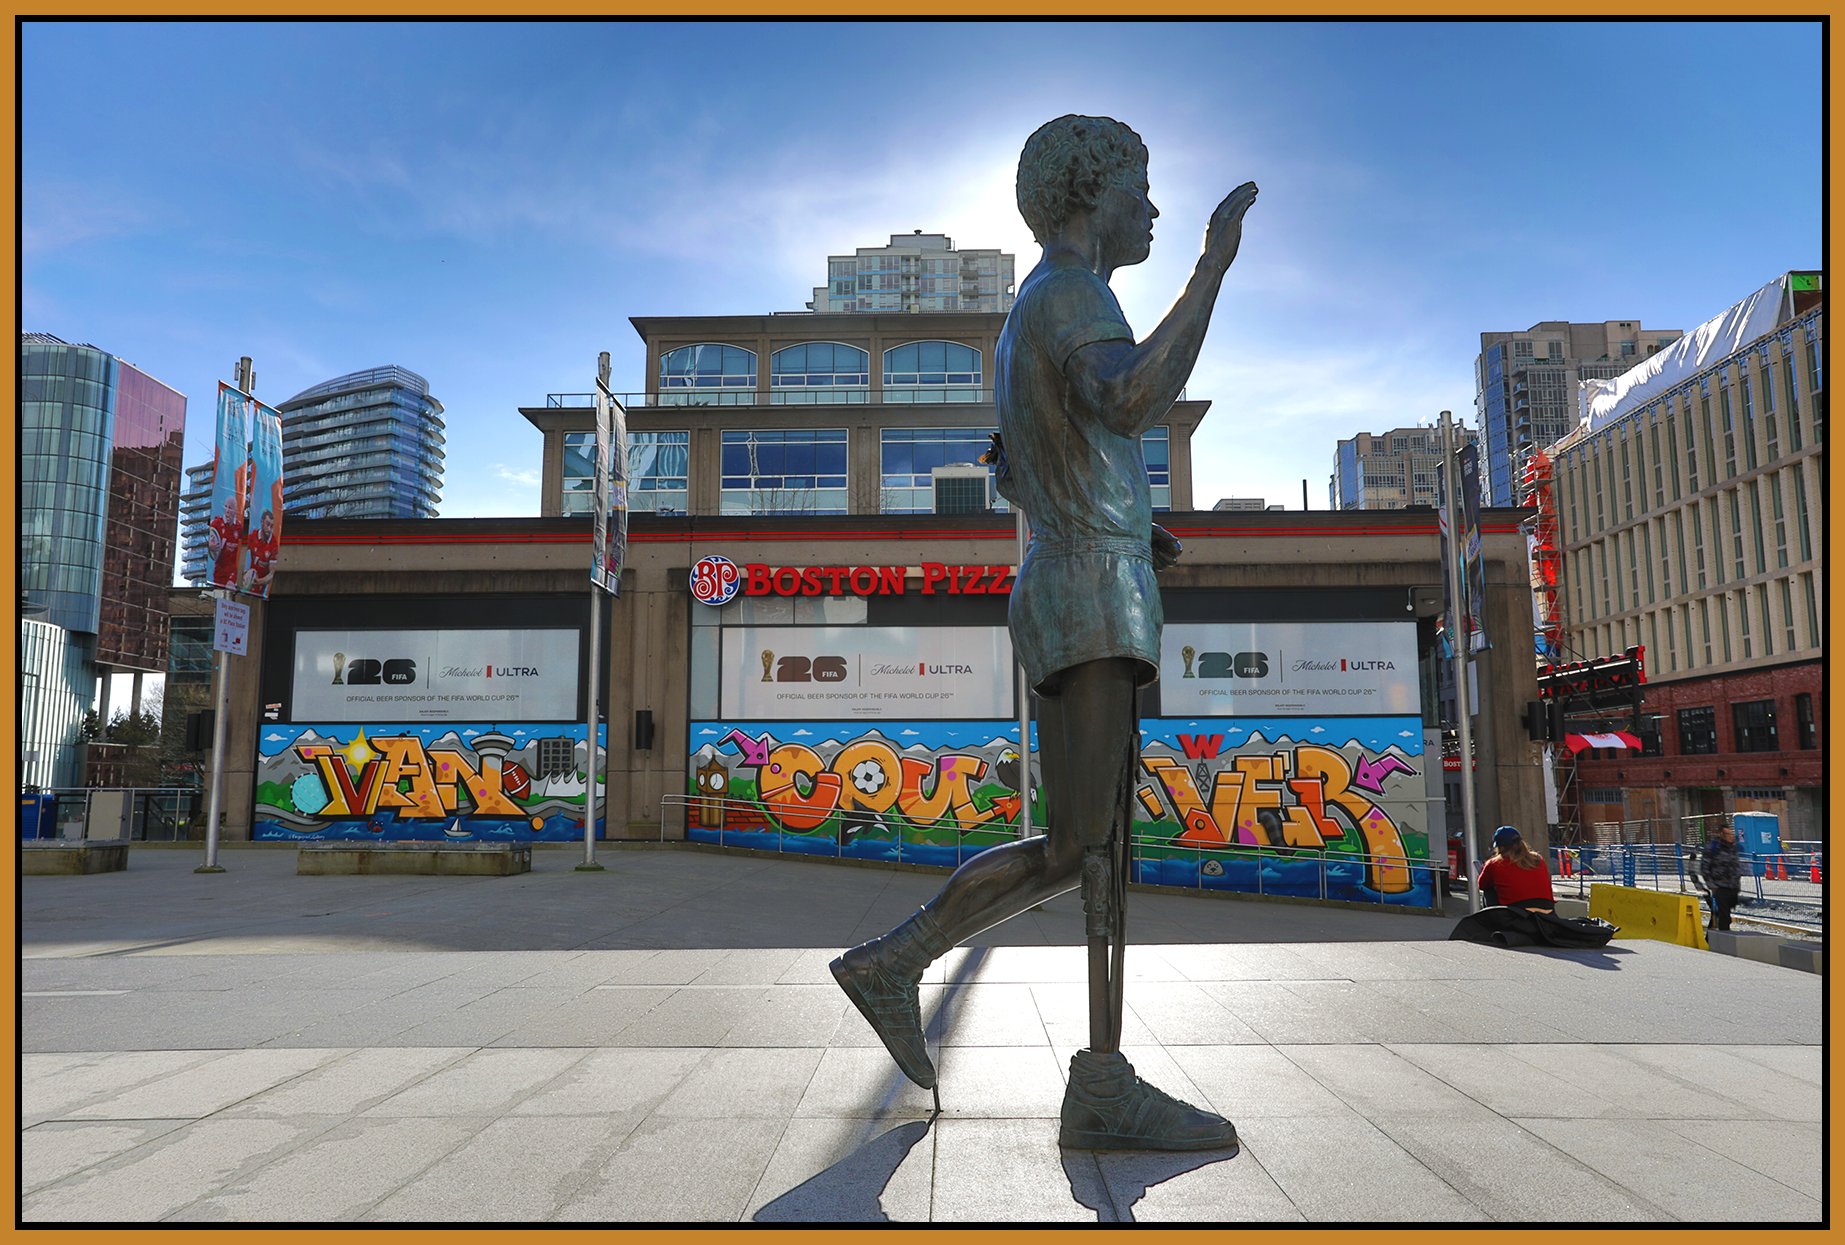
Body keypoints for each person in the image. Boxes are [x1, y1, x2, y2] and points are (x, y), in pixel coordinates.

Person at [831, 115, 1258, 1151]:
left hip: (1081, 577)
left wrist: (1128, 524)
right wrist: (1211, 269)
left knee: (1090, 846)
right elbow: (1127, 395)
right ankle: (1050, 1051)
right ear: (1086, 192)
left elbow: (1033, 465)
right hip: (1085, 592)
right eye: (1140, 186)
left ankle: (1069, 1057)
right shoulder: (1070, 294)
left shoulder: (1034, 312)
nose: (1153, 207)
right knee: (1089, 848)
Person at [1477, 825, 1555, 912]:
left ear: (1500, 847)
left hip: (1516, 913)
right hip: (1548, 909)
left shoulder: (1494, 864)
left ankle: (1494, 923)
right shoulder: (1538, 859)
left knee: (1488, 891)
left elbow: (1482, 885)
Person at [1699, 821, 1743, 931]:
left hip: (1732, 887)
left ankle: (1714, 938)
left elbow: (1735, 865)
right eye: (1728, 834)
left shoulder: (1732, 848)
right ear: (1721, 835)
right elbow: (1704, 868)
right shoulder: (1713, 848)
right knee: (1724, 916)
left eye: (1732, 834)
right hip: (1719, 887)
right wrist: (1711, 885)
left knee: (1722, 915)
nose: (1731, 837)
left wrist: (1737, 882)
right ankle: (1722, 941)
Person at [206, 496, 244, 588]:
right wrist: (210, 546)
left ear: (235, 510)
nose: (227, 510)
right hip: (219, 572)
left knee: (229, 591)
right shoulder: (216, 523)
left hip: (232, 571)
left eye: (230, 508)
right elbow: (211, 542)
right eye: (226, 507)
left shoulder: (239, 527)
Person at [242, 508, 280, 596]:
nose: (269, 529)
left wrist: (259, 581)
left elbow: (271, 574)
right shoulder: (252, 537)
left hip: (261, 590)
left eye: (272, 526)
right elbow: (241, 556)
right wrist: (245, 574)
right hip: (247, 586)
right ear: (262, 522)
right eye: (267, 524)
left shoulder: (273, 545)